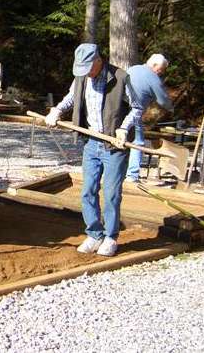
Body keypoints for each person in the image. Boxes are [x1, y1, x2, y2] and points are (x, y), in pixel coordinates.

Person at [45, 43, 142, 257]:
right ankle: (94, 234)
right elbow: (71, 98)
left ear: (98, 61)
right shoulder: (81, 77)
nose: (86, 73)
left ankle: (110, 237)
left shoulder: (120, 78)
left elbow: (137, 108)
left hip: (114, 145)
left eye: (88, 68)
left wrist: (124, 129)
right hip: (92, 142)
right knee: (88, 190)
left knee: (111, 194)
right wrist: (57, 111)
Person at [125, 54, 173, 183]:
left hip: (121, 109)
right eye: (161, 69)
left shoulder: (132, 69)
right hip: (136, 112)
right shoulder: (153, 78)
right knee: (138, 142)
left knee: (121, 138)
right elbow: (163, 100)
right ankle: (132, 175)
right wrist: (171, 108)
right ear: (154, 65)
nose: (161, 72)